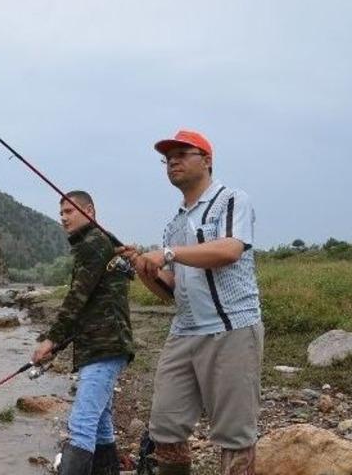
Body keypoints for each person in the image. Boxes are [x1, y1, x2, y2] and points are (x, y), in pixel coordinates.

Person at [116, 130, 264, 475]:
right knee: (164, 428)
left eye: (182, 154)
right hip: (184, 331)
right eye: (168, 158)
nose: (173, 162)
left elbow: (230, 249)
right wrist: (143, 267)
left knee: (235, 436)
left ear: (207, 160)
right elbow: (170, 290)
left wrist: (167, 253)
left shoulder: (231, 200)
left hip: (231, 328)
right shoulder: (175, 223)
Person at [32, 190, 136, 475]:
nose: (63, 218)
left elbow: (77, 298)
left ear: (89, 211)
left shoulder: (93, 243)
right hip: (100, 345)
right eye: (61, 213)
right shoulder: (98, 242)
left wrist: (51, 340)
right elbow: (88, 303)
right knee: (101, 425)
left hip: (105, 346)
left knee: (81, 426)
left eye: (69, 211)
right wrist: (59, 344)